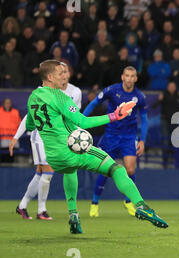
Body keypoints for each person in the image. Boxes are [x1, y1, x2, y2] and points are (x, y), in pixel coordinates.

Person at [25, 60, 167, 233]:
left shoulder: (32, 97)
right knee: (117, 169)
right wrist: (114, 115)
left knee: (70, 171)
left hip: (54, 158)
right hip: (72, 150)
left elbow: (31, 126)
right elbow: (82, 121)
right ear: (49, 77)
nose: (64, 76)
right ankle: (141, 206)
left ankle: (73, 215)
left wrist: (55, 125)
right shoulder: (60, 96)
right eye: (60, 73)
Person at [10, 63, 82, 221]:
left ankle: (22, 205)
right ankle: (41, 210)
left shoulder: (75, 92)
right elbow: (29, 116)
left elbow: (74, 118)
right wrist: (16, 137)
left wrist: (74, 136)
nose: (63, 75)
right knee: (48, 172)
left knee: (40, 173)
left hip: (58, 138)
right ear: (53, 75)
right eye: (60, 72)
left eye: (65, 72)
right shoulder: (42, 92)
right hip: (40, 136)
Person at [83, 66, 149, 218]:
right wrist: (82, 120)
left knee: (131, 170)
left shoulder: (139, 96)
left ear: (136, 78)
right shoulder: (112, 90)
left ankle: (128, 201)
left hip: (129, 136)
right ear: (122, 77)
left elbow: (144, 119)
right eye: (127, 75)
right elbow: (94, 103)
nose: (129, 78)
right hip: (111, 135)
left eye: (132, 76)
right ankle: (94, 203)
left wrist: (143, 140)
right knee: (105, 169)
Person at [152, 81, 179, 168]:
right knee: (165, 141)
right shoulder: (164, 95)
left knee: (175, 141)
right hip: (165, 121)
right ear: (168, 87)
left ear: (175, 87)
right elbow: (153, 106)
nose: (172, 88)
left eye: (173, 86)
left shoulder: (178, 96)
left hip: (175, 122)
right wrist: (159, 100)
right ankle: (165, 162)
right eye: (170, 86)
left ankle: (176, 161)